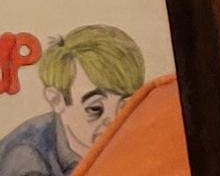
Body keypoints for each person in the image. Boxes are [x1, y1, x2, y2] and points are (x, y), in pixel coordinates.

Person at [0, 30, 144, 176]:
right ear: (57, 100)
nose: (114, 121)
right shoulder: (26, 161)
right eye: (95, 109)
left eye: (126, 107)